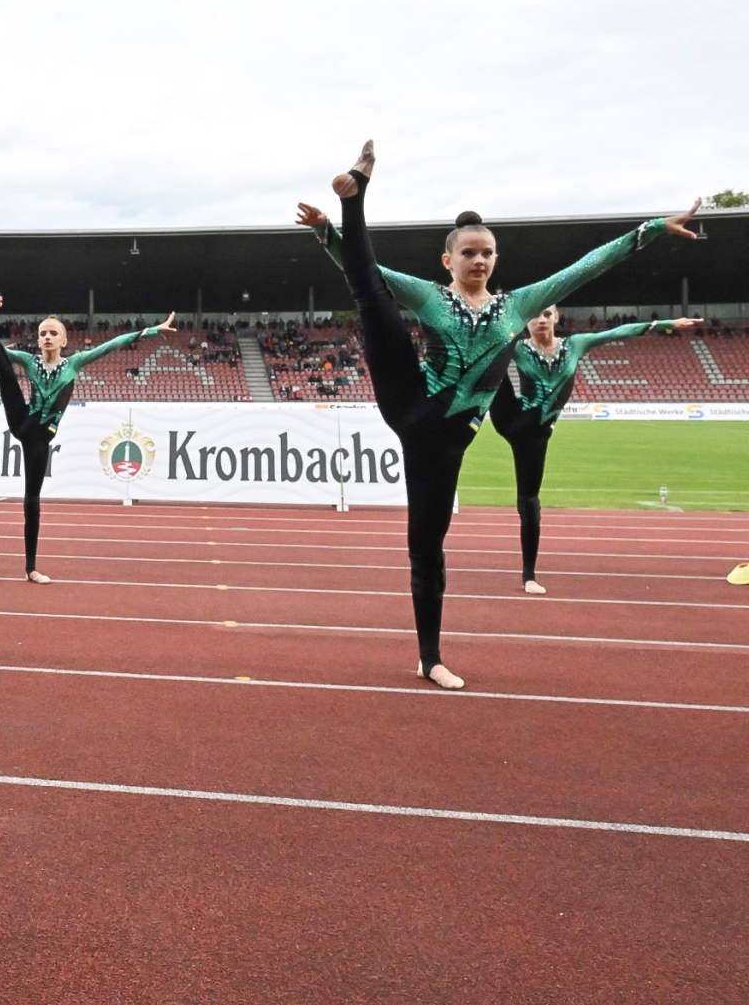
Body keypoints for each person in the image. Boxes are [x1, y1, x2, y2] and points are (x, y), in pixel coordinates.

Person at [298, 141, 700, 688]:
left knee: (426, 548)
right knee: (373, 298)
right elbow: (368, 270)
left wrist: (651, 230)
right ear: (449, 260)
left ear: (496, 258)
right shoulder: (430, 296)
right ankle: (356, 195)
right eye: (468, 253)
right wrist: (329, 233)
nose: (479, 260)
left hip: (445, 441)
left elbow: (586, 267)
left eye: (487, 252)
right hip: (410, 401)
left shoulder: (520, 305)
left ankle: (429, 659)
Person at [0, 268, 176, 582]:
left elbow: (112, 345)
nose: (46, 337)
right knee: (2, 364)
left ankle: (30, 568)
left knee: (32, 500)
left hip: (40, 437)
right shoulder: (30, 360)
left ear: (64, 340)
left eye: (52, 333)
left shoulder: (75, 363)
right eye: (42, 333)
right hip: (22, 420)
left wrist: (151, 331)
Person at [490, 307, 700, 593]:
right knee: (488, 356)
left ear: (557, 317)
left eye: (547, 314)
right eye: (534, 315)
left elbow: (618, 332)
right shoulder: (519, 348)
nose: (541, 320)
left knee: (529, 504)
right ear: (525, 321)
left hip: (536, 436)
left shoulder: (575, 345)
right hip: (511, 419)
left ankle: (529, 577)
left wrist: (667, 324)